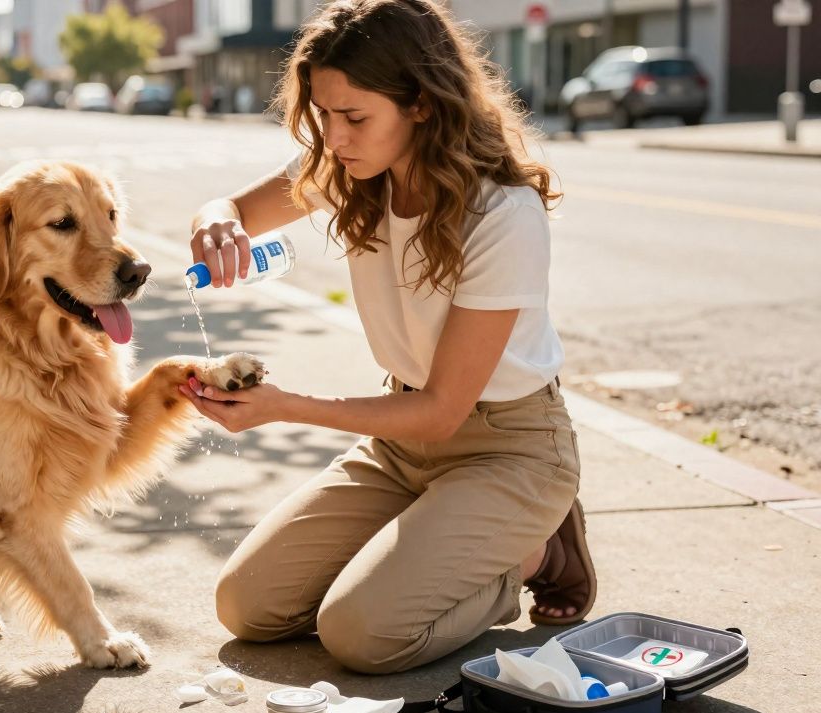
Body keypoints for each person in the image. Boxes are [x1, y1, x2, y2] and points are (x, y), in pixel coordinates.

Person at [179, 0, 595, 675]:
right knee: (246, 606)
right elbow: (232, 208)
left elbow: (440, 411)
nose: (334, 138)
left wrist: (283, 407)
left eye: (355, 117)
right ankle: (431, 545)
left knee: (362, 635)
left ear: (423, 105)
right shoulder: (349, 171)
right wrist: (218, 220)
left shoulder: (502, 213)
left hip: (509, 448)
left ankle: (537, 552)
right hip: (402, 447)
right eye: (322, 115)